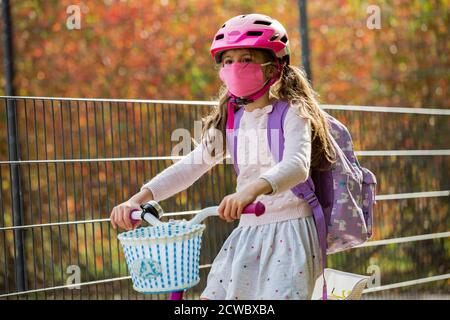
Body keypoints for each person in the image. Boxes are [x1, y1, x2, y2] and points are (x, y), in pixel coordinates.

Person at [110, 13, 337, 300]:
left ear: (273, 68)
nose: (234, 67)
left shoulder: (293, 113)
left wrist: (251, 191)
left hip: (290, 233)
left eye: (246, 59)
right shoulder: (233, 120)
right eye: (228, 61)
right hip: (248, 232)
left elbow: (297, 165)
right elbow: (192, 165)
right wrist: (139, 198)